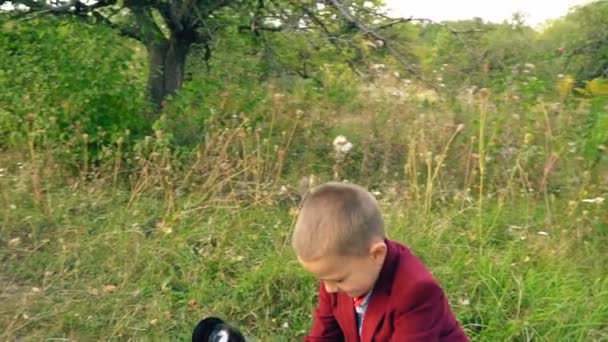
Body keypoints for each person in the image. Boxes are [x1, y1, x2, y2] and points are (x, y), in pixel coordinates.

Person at [291, 182, 468, 342]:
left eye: (339, 279)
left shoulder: (416, 292)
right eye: (323, 279)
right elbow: (323, 337)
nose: (329, 289)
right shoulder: (335, 275)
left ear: (376, 254)